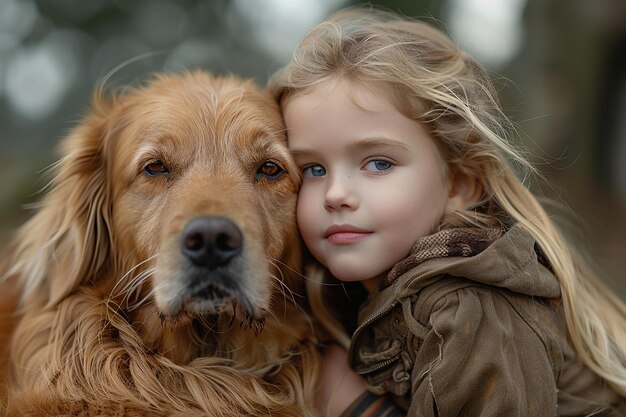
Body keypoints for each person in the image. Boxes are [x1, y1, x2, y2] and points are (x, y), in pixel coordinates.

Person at [268, 6, 626, 417]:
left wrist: (358, 406)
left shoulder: (471, 312)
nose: (336, 194)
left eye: (378, 163)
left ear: (459, 184)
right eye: (313, 169)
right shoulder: (351, 291)